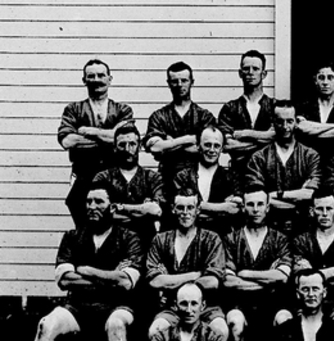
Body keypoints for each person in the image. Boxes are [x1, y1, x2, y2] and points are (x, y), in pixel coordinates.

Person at [11, 183, 142, 341]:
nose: (93, 207)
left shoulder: (128, 238)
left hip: (117, 306)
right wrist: (107, 276)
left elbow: (126, 282)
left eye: (99, 202)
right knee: (46, 325)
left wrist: (88, 271)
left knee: (116, 324)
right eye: (89, 201)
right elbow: (64, 279)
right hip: (78, 307)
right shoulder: (73, 237)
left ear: (112, 207)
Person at [222, 185, 292, 341]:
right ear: (243, 207)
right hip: (240, 304)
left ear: (268, 207)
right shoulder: (231, 239)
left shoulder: (280, 239)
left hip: (273, 303)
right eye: (250, 204)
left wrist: (245, 273)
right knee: (234, 321)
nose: (255, 209)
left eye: (260, 204)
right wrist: (267, 280)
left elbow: (282, 277)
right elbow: (229, 281)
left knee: (285, 319)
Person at [58, 59, 134, 227]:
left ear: (110, 79)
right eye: (91, 76)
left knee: (118, 226)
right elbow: (67, 141)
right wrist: (110, 138)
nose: (96, 79)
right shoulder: (74, 109)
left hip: (116, 177)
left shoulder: (122, 110)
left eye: (101, 75)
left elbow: (125, 139)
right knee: (84, 226)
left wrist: (89, 131)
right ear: (84, 80)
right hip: (84, 175)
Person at [145, 189, 228, 339]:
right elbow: (155, 281)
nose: (185, 212)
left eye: (190, 207)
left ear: (198, 210)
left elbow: (213, 281)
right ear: (173, 209)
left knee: (220, 329)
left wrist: (170, 281)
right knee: (156, 330)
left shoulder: (211, 239)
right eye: (180, 208)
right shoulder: (161, 240)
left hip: (205, 306)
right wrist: (196, 275)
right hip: (172, 306)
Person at [144, 61, 217, 221]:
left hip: (197, 179)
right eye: (174, 81)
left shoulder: (204, 116)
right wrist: (189, 139)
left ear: (192, 82)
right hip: (167, 180)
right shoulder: (159, 116)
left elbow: (205, 150)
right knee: (169, 226)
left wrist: (170, 143)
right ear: (168, 83)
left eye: (184, 80)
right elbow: (155, 148)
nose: (179, 85)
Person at [281, 188, 334, 327]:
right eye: (320, 209)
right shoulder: (301, 241)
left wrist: (316, 274)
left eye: (329, 208)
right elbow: (302, 276)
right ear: (312, 211)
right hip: (305, 303)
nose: (324, 213)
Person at [244, 100, 322, 234]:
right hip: (269, 229)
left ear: (297, 122)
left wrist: (276, 195)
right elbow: (258, 199)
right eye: (280, 121)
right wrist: (298, 201)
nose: (285, 126)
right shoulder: (259, 157)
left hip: (304, 228)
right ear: (273, 122)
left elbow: (311, 194)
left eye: (290, 121)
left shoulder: (310, 156)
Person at [92, 123, 163, 247]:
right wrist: (142, 212)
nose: (127, 149)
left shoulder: (152, 178)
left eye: (132, 144)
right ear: (114, 148)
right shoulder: (103, 177)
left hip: (145, 243)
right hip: (112, 244)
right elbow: (103, 214)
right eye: (122, 145)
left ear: (139, 146)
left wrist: (120, 207)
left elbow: (156, 211)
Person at [218, 50, 276, 190]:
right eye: (246, 68)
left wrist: (244, 134)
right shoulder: (230, 108)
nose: (250, 72)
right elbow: (227, 145)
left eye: (255, 69)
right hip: (238, 175)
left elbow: (277, 137)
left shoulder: (274, 106)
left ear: (264, 74)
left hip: (269, 174)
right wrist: (263, 140)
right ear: (240, 73)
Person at [173, 125, 242, 236]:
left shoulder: (230, 177)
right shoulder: (183, 176)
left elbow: (234, 209)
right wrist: (221, 207)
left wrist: (196, 206)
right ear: (198, 146)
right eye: (207, 145)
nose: (212, 150)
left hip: (220, 237)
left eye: (216, 146)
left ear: (222, 148)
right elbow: (178, 207)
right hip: (189, 236)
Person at [296, 61, 334, 162]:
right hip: (309, 161)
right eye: (321, 78)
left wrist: (313, 130)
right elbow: (303, 128)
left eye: (330, 77)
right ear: (315, 80)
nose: (325, 82)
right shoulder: (304, 106)